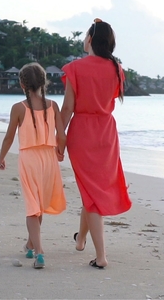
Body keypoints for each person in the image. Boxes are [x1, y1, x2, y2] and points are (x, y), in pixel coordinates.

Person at [60, 18, 132, 269]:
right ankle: (80, 240)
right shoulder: (116, 68)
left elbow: (68, 107)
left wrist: (58, 134)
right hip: (107, 133)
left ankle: (101, 256)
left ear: (90, 39)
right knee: (91, 190)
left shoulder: (75, 68)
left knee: (90, 193)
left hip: (83, 132)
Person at [0, 62, 67, 269]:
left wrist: (1, 157)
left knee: (32, 207)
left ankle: (39, 251)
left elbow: (9, 136)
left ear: (21, 84)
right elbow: (61, 135)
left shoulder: (18, 108)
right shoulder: (53, 105)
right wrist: (60, 152)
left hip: (29, 159)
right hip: (49, 158)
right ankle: (29, 244)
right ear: (44, 82)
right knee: (39, 205)